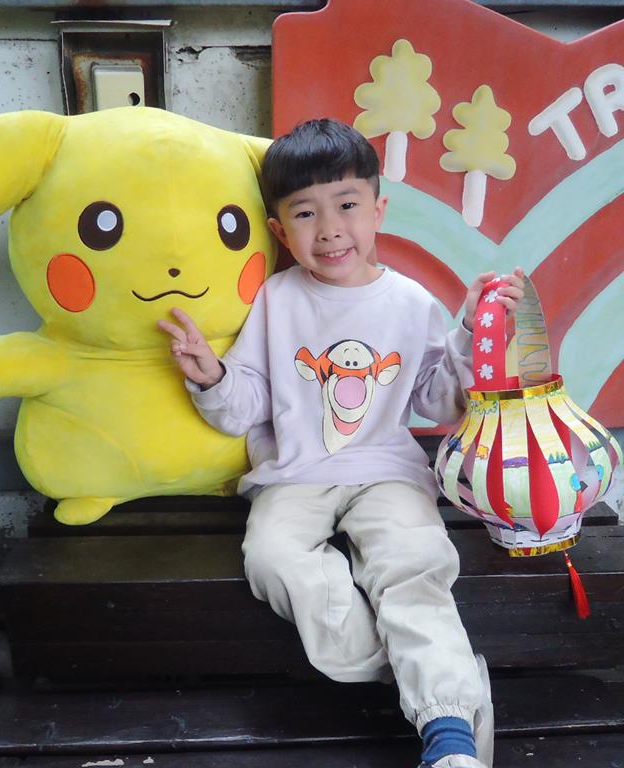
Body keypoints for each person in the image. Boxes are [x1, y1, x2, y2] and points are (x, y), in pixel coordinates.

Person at [159, 118, 523, 768]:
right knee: (270, 558)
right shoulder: (276, 300)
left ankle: (448, 738)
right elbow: (244, 406)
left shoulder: (410, 302)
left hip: (388, 472)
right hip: (294, 474)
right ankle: (432, 687)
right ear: (279, 230)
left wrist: (471, 333)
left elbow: (438, 401)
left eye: (347, 205)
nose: (329, 229)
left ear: (378, 210)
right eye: (305, 213)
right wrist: (211, 377)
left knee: (414, 561)